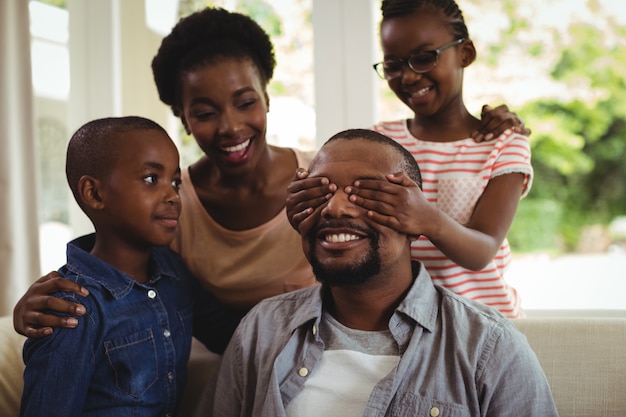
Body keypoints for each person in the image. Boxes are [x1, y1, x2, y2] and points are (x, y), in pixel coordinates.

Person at [13, 7, 526, 337]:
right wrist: (60, 286)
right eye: (206, 112)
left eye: (244, 102)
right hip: (245, 355)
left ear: (266, 99)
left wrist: (494, 124)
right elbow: (121, 247)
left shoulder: (325, 180)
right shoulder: (174, 203)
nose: (231, 127)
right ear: (184, 120)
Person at [207, 128, 558, 417]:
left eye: (367, 194)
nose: (335, 207)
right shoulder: (260, 331)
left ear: (416, 218)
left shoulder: (488, 347)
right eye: (320, 192)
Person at [286, 0, 532, 318]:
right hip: (397, 324)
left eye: (424, 58)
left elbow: (482, 251)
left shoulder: (502, 144)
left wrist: (426, 218)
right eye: (393, 65)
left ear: (465, 54)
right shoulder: (375, 143)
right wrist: (306, 210)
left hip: (479, 325)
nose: (409, 77)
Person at [20, 116, 221, 416]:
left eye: (175, 182)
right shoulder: (72, 310)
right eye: (152, 179)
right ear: (95, 194)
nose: (172, 196)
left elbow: (229, 330)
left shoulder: (174, 273)